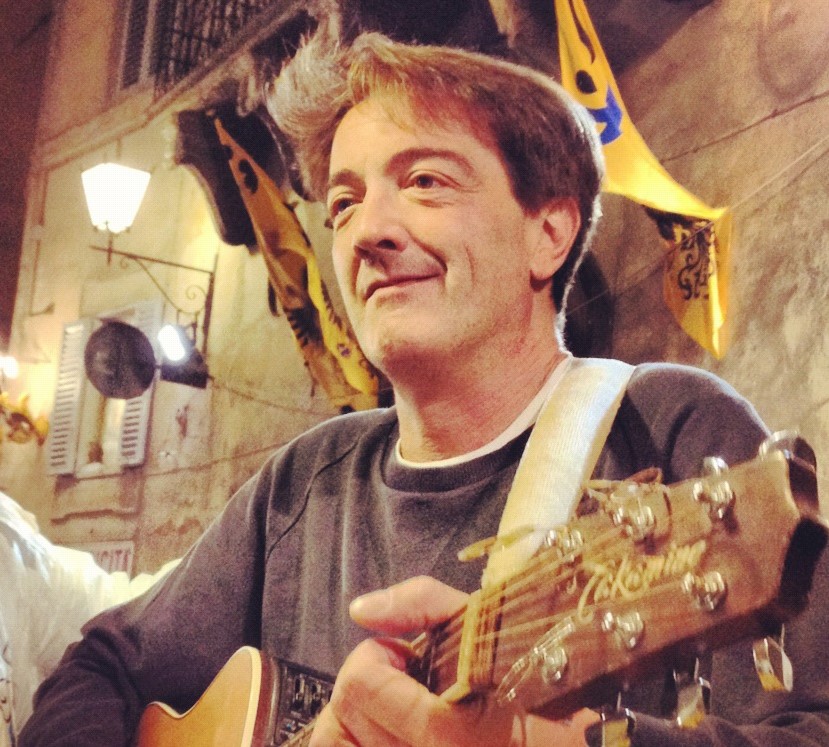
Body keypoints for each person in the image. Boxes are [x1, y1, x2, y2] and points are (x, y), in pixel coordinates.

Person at [19, 32, 829, 746]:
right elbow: (101, 665)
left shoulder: (668, 428)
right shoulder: (303, 484)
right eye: (343, 202)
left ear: (547, 231)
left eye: (426, 181)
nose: (367, 231)